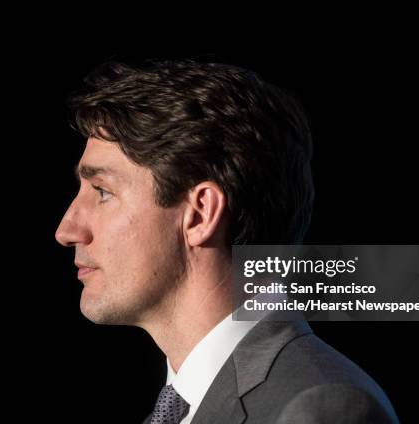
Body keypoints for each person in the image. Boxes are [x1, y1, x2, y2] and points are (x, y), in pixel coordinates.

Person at [55, 59, 399, 423]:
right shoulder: (179, 409)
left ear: (200, 214)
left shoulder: (321, 409)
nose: (66, 230)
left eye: (102, 191)